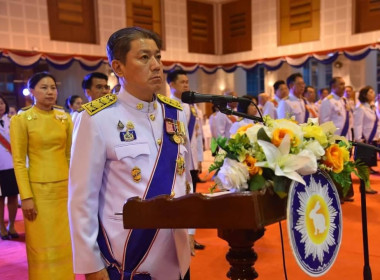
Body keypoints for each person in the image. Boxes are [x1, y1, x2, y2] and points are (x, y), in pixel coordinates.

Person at [68, 27, 192, 280]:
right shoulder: (97, 118)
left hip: (176, 251)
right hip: (128, 254)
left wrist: (189, 232)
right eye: (144, 57)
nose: (156, 65)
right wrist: (90, 264)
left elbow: (184, 178)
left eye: (158, 56)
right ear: (119, 67)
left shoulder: (176, 113)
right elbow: (82, 200)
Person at [10, 72, 74, 279]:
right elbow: (18, 161)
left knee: (65, 243)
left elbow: (69, 156)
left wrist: (75, 188)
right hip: (38, 192)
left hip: (64, 189)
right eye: (44, 87)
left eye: (53, 88)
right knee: (41, 244)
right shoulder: (22, 119)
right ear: (32, 91)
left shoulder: (64, 118)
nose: (50, 92)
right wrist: (26, 197)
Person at [167, 69, 205, 254]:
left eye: (187, 82)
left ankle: (191, 235)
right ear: (171, 85)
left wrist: (198, 160)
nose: (186, 86)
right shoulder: (166, 107)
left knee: (192, 198)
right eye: (182, 82)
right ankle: (177, 238)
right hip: (175, 163)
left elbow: (197, 136)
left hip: (190, 161)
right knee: (178, 199)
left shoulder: (192, 106)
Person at [319, 77, 354, 202]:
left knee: (345, 166)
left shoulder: (344, 100)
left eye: (344, 84)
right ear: (333, 86)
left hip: (346, 138)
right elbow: (324, 121)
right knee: (335, 167)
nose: (344, 86)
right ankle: (337, 194)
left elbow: (349, 121)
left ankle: (346, 192)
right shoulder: (328, 101)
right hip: (335, 139)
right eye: (341, 84)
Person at [0, 95, 19, 240]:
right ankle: (1, 227)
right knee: (0, 199)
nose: (0, 106)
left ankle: (11, 225)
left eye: (1, 103)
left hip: (11, 166)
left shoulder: (13, 121)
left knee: (13, 197)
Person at [353, 86, 379, 194]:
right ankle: (364, 186)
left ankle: (367, 186)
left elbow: (376, 124)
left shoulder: (372, 107)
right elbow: (358, 124)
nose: (373, 93)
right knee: (364, 164)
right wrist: (359, 138)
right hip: (365, 139)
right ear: (364, 95)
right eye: (371, 92)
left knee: (368, 164)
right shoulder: (361, 108)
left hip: (372, 138)